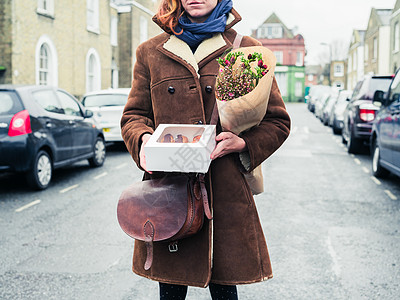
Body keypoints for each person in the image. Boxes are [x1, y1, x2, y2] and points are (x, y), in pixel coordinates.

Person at [120, 0, 291, 299]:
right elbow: (134, 116)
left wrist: (244, 143)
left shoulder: (245, 50)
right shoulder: (150, 51)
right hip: (169, 192)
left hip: (224, 193)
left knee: (225, 290)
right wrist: (143, 140)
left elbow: (277, 121)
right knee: (170, 292)